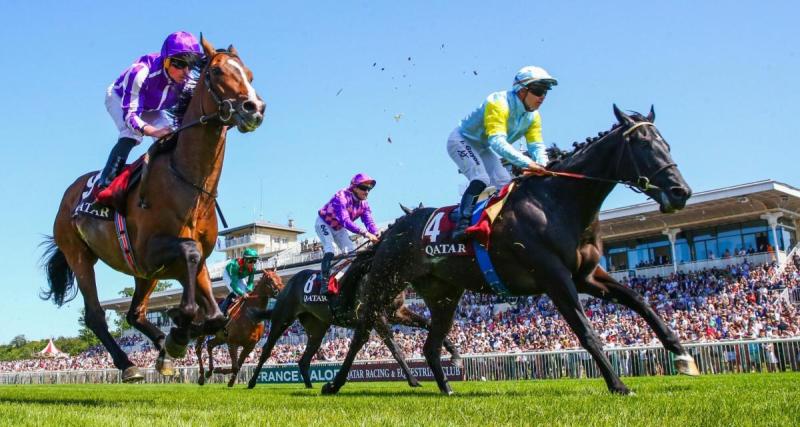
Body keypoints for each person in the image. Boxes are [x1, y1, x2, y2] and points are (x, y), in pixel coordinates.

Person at [447, 66, 557, 240]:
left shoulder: (534, 116)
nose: (542, 96)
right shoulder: (498, 102)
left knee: (506, 184)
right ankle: (461, 224)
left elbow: (536, 146)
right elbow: (497, 142)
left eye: (545, 91)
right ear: (521, 91)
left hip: (481, 147)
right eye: (538, 90)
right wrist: (528, 164)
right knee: (481, 178)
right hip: (461, 140)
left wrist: (544, 166)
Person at [98, 31, 203, 190]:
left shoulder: (187, 84)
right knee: (132, 134)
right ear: (166, 61)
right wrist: (153, 131)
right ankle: (106, 184)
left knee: (170, 138)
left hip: (152, 107)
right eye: (179, 64)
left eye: (191, 65)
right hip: (120, 99)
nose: (186, 72)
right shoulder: (140, 73)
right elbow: (131, 117)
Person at [316, 173, 380, 294]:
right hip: (324, 223)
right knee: (331, 249)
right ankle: (324, 283)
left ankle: (338, 279)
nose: (367, 192)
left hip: (339, 228)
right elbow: (345, 221)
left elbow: (369, 221)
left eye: (369, 189)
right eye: (364, 188)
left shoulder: (364, 204)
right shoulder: (341, 196)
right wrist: (366, 234)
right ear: (354, 187)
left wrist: (376, 233)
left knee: (352, 254)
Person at [219, 248, 259, 315]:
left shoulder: (253, 268)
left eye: (254, 261)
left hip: (239, 276)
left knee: (246, 291)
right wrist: (242, 294)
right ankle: (223, 311)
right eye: (250, 261)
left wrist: (249, 290)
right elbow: (233, 284)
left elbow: (250, 282)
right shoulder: (235, 266)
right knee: (236, 292)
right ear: (245, 260)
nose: (252, 264)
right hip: (228, 275)